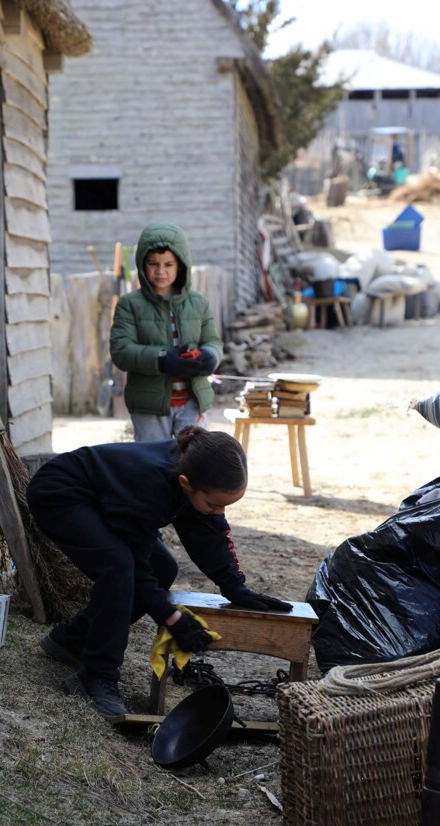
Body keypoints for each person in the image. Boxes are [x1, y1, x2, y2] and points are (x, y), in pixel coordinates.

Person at [26, 426, 290, 718]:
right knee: (118, 568)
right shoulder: (151, 484)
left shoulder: (195, 471)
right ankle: (95, 676)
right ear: (185, 483)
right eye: (215, 504)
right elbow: (135, 570)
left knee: (164, 567)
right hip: (61, 495)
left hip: (107, 500)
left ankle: (73, 639)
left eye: (226, 506)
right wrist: (173, 618)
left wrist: (235, 587)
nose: (219, 512)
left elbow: (209, 532)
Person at [110, 223, 223, 441]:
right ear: (142, 264)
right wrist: (161, 360)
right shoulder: (129, 304)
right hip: (149, 406)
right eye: (153, 264)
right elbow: (121, 351)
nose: (161, 271)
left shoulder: (198, 302)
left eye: (168, 264)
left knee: (194, 461)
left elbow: (213, 341)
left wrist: (210, 356)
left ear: (181, 264)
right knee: (152, 465)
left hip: (193, 401)